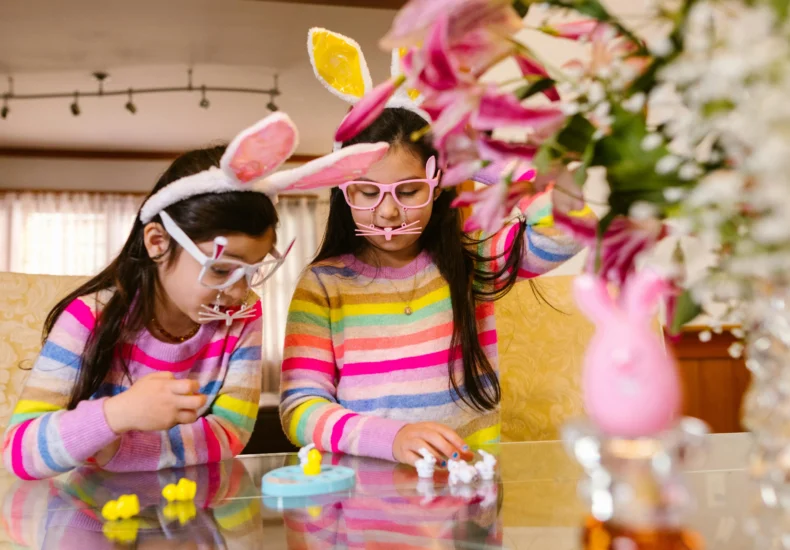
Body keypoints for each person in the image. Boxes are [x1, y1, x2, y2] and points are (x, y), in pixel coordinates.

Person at [3, 113, 390, 479]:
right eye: (221, 270)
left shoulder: (243, 314)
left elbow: (231, 433)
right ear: (157, 242)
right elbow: (19, 452)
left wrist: (123, 450)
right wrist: (117, 414)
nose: (239, 293)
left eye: (252, 272)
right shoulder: (90, 317)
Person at [280, 106, 594, 467]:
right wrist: (391, 438)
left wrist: (479, 164)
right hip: (367, 500)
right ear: (344, 192)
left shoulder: (471, 261)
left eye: (409, 191)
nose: (387, 212)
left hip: (467, 494)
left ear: (438, 185)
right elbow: (299, 409)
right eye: (367, 193)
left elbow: (570, 229)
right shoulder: (322, 284)